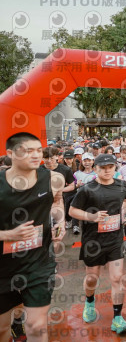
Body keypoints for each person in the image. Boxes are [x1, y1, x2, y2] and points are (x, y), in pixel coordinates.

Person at [0, 132, 66, 342]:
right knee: (2, 328)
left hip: (39, 263)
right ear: (10, 153)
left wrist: (59, 221)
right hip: (3, 268)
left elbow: (57, 202)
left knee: (37, 326)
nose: (37, 155)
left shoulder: (54, 179)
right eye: (28, 151)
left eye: (38, 150)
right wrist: (8, 234)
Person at [69, 153, 126, 334]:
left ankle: (117, 318)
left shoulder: (122, 185)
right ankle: (89, 302)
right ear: (95, 169)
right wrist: (92, 217)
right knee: (92, 279)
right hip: (93, 241)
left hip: (115, 239)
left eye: (110, 167)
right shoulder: (87, 189)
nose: (107, 171)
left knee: (117, 278)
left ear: (115, 168)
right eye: (103, 168)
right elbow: (72, 211)